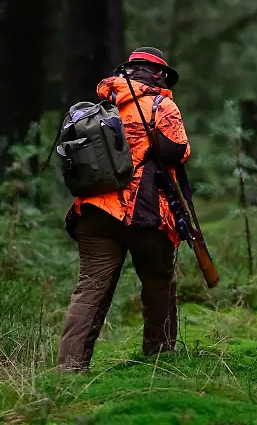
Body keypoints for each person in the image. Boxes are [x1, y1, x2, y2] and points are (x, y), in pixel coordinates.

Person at [57, 47, 191, 373]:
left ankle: (69, 367)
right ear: (157, 75)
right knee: (159, 282)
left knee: (90, 289)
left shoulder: (99, 105)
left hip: (94, 212)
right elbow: (176, 151)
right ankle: (159, 355)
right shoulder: (162, 104)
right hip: (146, 213)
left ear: (128, 72)